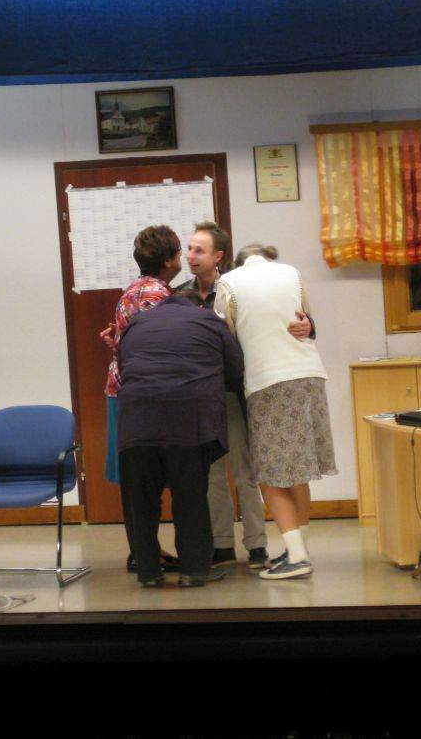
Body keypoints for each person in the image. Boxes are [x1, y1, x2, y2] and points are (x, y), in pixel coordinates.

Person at [174, 221, 313, 570]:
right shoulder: (179, 296)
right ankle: (221, 543)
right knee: (212, 474)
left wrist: (310, 325)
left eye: (199, 250)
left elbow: (279, 321)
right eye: (189, 249)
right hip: (200, 397)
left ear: (218, 256)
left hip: (235, 391)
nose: (190, 256)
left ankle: (256, 544)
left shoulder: (239, 285)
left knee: (245, 470)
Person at [214, 243, 336, 580]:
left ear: (238, 263)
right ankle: (300, 548)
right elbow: (305, 319)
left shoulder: (229, 283)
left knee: (269, 474)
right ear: (267, 260)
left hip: (269, 382)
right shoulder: (292, 274)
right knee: (297, 472)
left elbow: (226, 337)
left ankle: (296, 558)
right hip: (310, 376)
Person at [116, 293, 244, 587]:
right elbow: (235, 369)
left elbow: (123, 367)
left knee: (141, 499)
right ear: (197, 306)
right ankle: (193, 570)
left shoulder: (136, 323)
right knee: (190, 495)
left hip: (137, 419)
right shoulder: (209, 320)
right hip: (189, 419)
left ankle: (148, 572)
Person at [101, 224, 182, 574]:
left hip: (121, 389)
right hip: (141, 395)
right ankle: (144, 553)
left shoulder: (133, 290)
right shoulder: (156, 295)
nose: (182, 258)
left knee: (134, 480)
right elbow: (157, 344)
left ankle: (143, 550)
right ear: (168, 261)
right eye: (179, 253)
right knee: (144, 478)